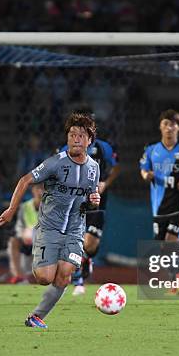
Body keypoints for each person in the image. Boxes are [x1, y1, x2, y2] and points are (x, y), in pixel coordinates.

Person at [0, 112, 101, 328]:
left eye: (81, 135)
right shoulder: (55, 163)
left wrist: (94, 202)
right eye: (72, 135)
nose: (76, 139)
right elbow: (25, 181)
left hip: (75, 230)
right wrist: (11, 210)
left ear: (89, 140)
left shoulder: (94, 169)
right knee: (44, 277)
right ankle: (72, 262)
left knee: (64, 276)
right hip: (49, 228)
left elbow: (89, 202)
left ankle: (36, 317)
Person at [59, 107, 120, 295]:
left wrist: (105, 183)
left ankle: (87, 259)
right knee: (76, 241)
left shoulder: (103, 147)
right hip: (75, 203)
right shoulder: (65, 149)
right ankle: (78, 281)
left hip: (98, 202)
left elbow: (116, 167)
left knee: (90, 245)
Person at [139, 109, 179, 241]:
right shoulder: (151, 148)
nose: (169, 128)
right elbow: (144, 168)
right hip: (159, 204)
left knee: (170, 243)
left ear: (178, 128)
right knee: (161, 250)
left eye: (173, 124)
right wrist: (145, 175)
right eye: (165, 123)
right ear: (160, 126)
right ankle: (178, 261)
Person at [7, 184, 43, 284]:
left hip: (45, 242)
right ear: (33, 190)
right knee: (14, 241)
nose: (40, 192)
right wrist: (22, 234)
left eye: (43, 189)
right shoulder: (25, 207)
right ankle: (19, 276)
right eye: (38, 188)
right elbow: (19, 226)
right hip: (28, 241)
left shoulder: (52, 207)